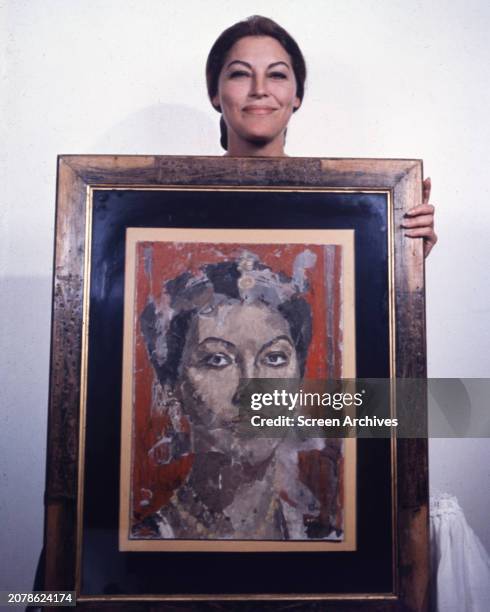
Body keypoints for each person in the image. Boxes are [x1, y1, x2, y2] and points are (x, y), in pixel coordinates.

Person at [135, 249, 343, 541]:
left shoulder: (327, 543)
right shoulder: (138, 546)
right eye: (217, 360)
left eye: (274, 358)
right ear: (173, 388)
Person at [206, 15, 437, 257]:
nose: (260, 90)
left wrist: (406, 255)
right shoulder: (172, 199)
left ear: (297, 96)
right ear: (215, 92)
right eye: (240, 74)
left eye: (277, 75)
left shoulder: (345, 203)